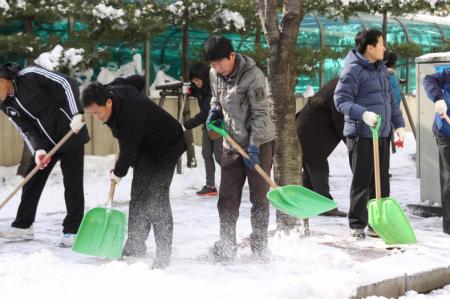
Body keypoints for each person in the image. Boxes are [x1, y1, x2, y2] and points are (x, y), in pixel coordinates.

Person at [81, 75, 186, 269]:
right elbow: (138, 79)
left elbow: (128, 152)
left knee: (157, 198)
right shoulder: (112, 90)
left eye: (97, 112)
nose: (96, 118)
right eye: (91, 114)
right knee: (138, 196)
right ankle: (136, 245)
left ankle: (163, 253)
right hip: (145, 147)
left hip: (167, 145)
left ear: (109, 102)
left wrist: (118, 172)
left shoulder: (130, 116)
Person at [0, 63, 89, 247]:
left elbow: (66, 82)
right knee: (31, 181)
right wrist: (38, 150)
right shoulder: (5, 104)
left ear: (3, 81)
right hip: (46, 142)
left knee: (72, 184)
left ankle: (72, 230)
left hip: (70, 132)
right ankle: (23, 226)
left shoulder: (30, 76)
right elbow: (24, 128)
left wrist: (76, 113)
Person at [204, 35, 275, 262]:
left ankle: (260, 246)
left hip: (259, 143)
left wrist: (254, 147)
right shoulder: (215, 74)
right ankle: (226, 246)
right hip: (231, 143)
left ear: (232, 56)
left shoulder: (254, 76)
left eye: (220, 63)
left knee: (259, 198)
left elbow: (260, 115)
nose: (217, 68)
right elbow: (216, 98)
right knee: (227, 197)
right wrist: (214, 111)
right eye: (213, 64)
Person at [334, 29, 405, 239]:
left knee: (382, 180)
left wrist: (399, 125)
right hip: (361, 134)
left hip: (381, 133)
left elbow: (390, 100)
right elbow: (340, 101)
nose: (385, 48)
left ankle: (377, 222)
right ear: (370, 47)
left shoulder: (381, 69)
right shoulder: (352, 71)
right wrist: (362, 114)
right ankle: (357, 225)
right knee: (362, 180)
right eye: (381, 44)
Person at [295, 77, 347, 217]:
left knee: (311, 167)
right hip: (311, 131)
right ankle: (325, 205)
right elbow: (340, 118)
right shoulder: (341, 87)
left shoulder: (339, 82)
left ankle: (309, 201)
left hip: (307, 127)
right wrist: (351, 140)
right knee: (317, 165)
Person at [183, 62, 223, 196]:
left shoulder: (212, 89)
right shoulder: (200, 87)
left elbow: (206, 112)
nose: (195, 83)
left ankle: (232, 183)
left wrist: (187, 125)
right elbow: (196, 91)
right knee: (206, 154)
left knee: (219, 156)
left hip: (219, 125)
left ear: (204, 78)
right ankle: (210, 185)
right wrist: (188, 90)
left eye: (197, 80)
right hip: (208, 125)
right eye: (193, 81)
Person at [423, 69, 450, 235]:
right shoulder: (447, 75)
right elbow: (428, 79)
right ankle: (448, 224)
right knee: (449, 178)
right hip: (445, 133)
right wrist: (438, 98)